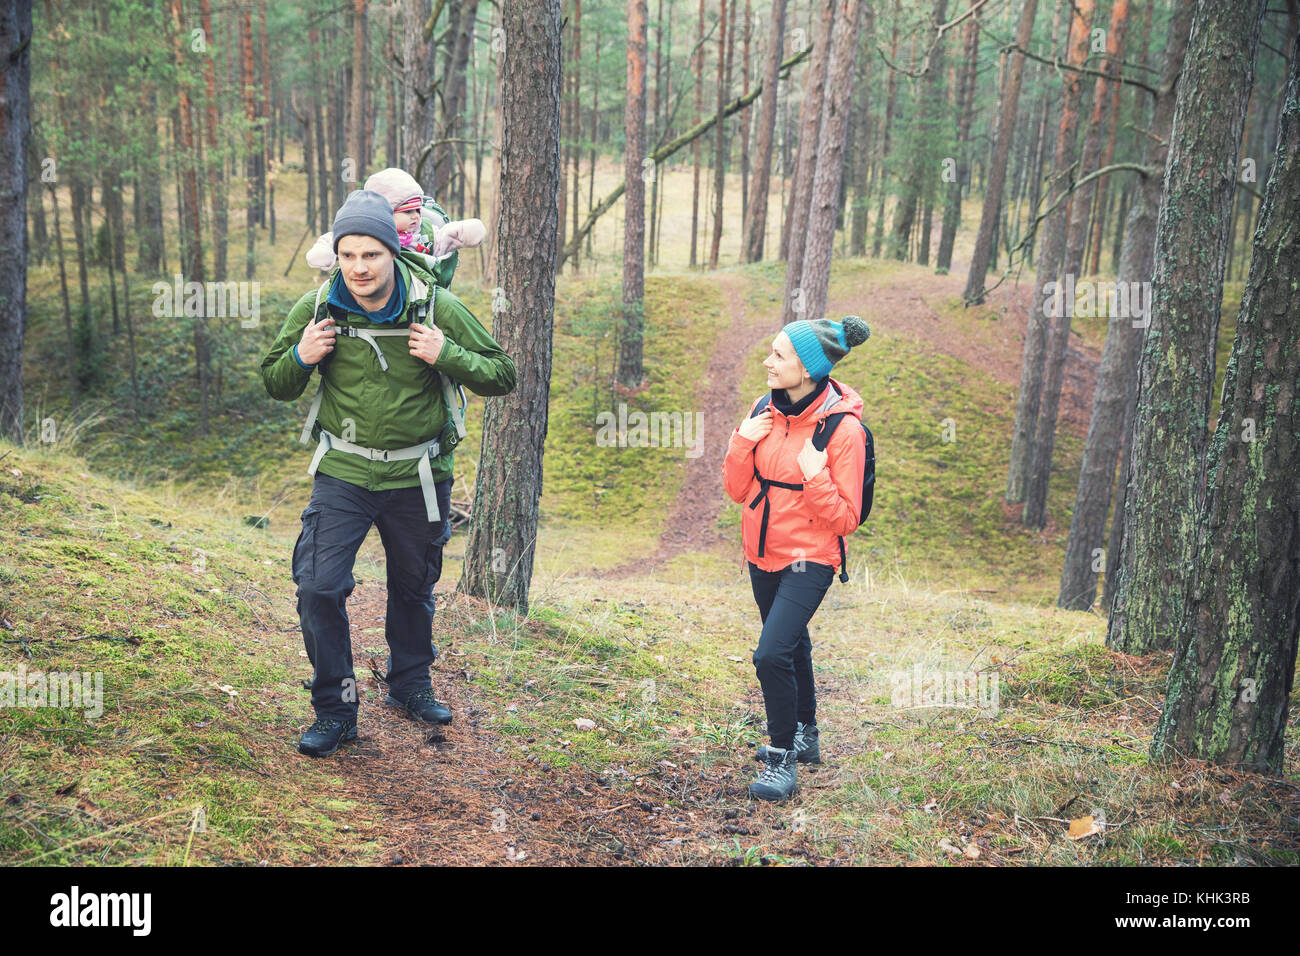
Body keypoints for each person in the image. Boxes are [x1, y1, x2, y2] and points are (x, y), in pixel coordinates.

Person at [261, 188, 516, 758]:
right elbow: (274, 382)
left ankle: (409, 684)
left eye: (370, 255)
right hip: (344, 471)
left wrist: (447, 353)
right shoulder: (319, 307)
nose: (359, 268)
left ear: (391, 254)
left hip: (420, 473)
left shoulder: (434, 306)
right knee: (318, 587)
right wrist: (302, 355)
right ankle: (335, 709)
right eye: (348, 256)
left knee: (413, 586)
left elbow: (503, 374)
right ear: (337, 254)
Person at [722, 315, 871, 800]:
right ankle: (807, 734)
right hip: (761, 551)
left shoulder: (844, 431)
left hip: (811, 557)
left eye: (780, 355)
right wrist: (743, 440)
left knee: (770, 654)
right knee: (792, 646)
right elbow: (737, 489)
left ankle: (782, 756)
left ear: (808, 369)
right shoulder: (764, 408)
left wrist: (815, 475)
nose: (768, 361)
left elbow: (846, 518)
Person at [305, 167, 486, 288]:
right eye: (407, 212)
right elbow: (336, 238)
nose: (415, 216)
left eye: (417, 210)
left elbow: (446, 238)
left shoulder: (425, 234)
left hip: (419, 296)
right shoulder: (367, 231)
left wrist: (464, 232)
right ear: (385, 212)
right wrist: (326, 251)